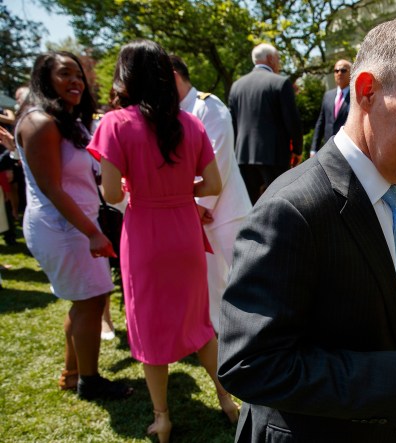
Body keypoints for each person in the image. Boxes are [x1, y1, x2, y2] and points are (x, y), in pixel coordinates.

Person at [218, 17, 396, 442]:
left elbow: (360, 284)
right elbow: (250, 364)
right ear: (366, 91)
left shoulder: (385, 186)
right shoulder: (292, 208)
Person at [89, 40, 238, 443]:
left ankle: (163, 418)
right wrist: (177, 190)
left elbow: (112, 196)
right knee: (200, 324)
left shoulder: (115, 124)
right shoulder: (191, 123)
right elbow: (213, 183)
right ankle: (227, 400)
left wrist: (138, 185)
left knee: (149, 329)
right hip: (185, 232)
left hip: (145, 235)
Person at [14, 51, 133, 400]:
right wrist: (93, 232)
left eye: (79, 74)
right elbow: (52, 188)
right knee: (91, 300)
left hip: (79, 224)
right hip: (62, 228)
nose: (76, 81)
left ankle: (73, 372)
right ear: (44, 79)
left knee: (88, 299)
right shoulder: (39, 123)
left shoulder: (68, 121)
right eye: (65, 74)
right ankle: (90, 381)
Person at [170, 54, 251, 332]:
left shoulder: (208, 105)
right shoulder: (171, 115)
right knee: (210, 284)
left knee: (245, 277)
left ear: (173, 76)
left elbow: (220, 159)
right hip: (195, 215)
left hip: (227, 211)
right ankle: (221, 337)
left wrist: (200, 204)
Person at [228, 43, 303, 204]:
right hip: (274, 155)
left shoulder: (236, 86)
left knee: (250, 206)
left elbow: (232, 124)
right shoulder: (281, 83)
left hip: (244, 156)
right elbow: (292, 121)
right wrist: (297, 150)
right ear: (270, 59)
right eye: (278, 59)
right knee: (278, 203)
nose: (279, 63)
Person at [309, 59, 352, 157]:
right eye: (336, 71)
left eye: (343, 70)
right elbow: (321, 122)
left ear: (351, 72)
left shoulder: (355, 96)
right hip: (328, 149)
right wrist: (313, 149)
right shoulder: (328, 95)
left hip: (347, 150)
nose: (339, 73)